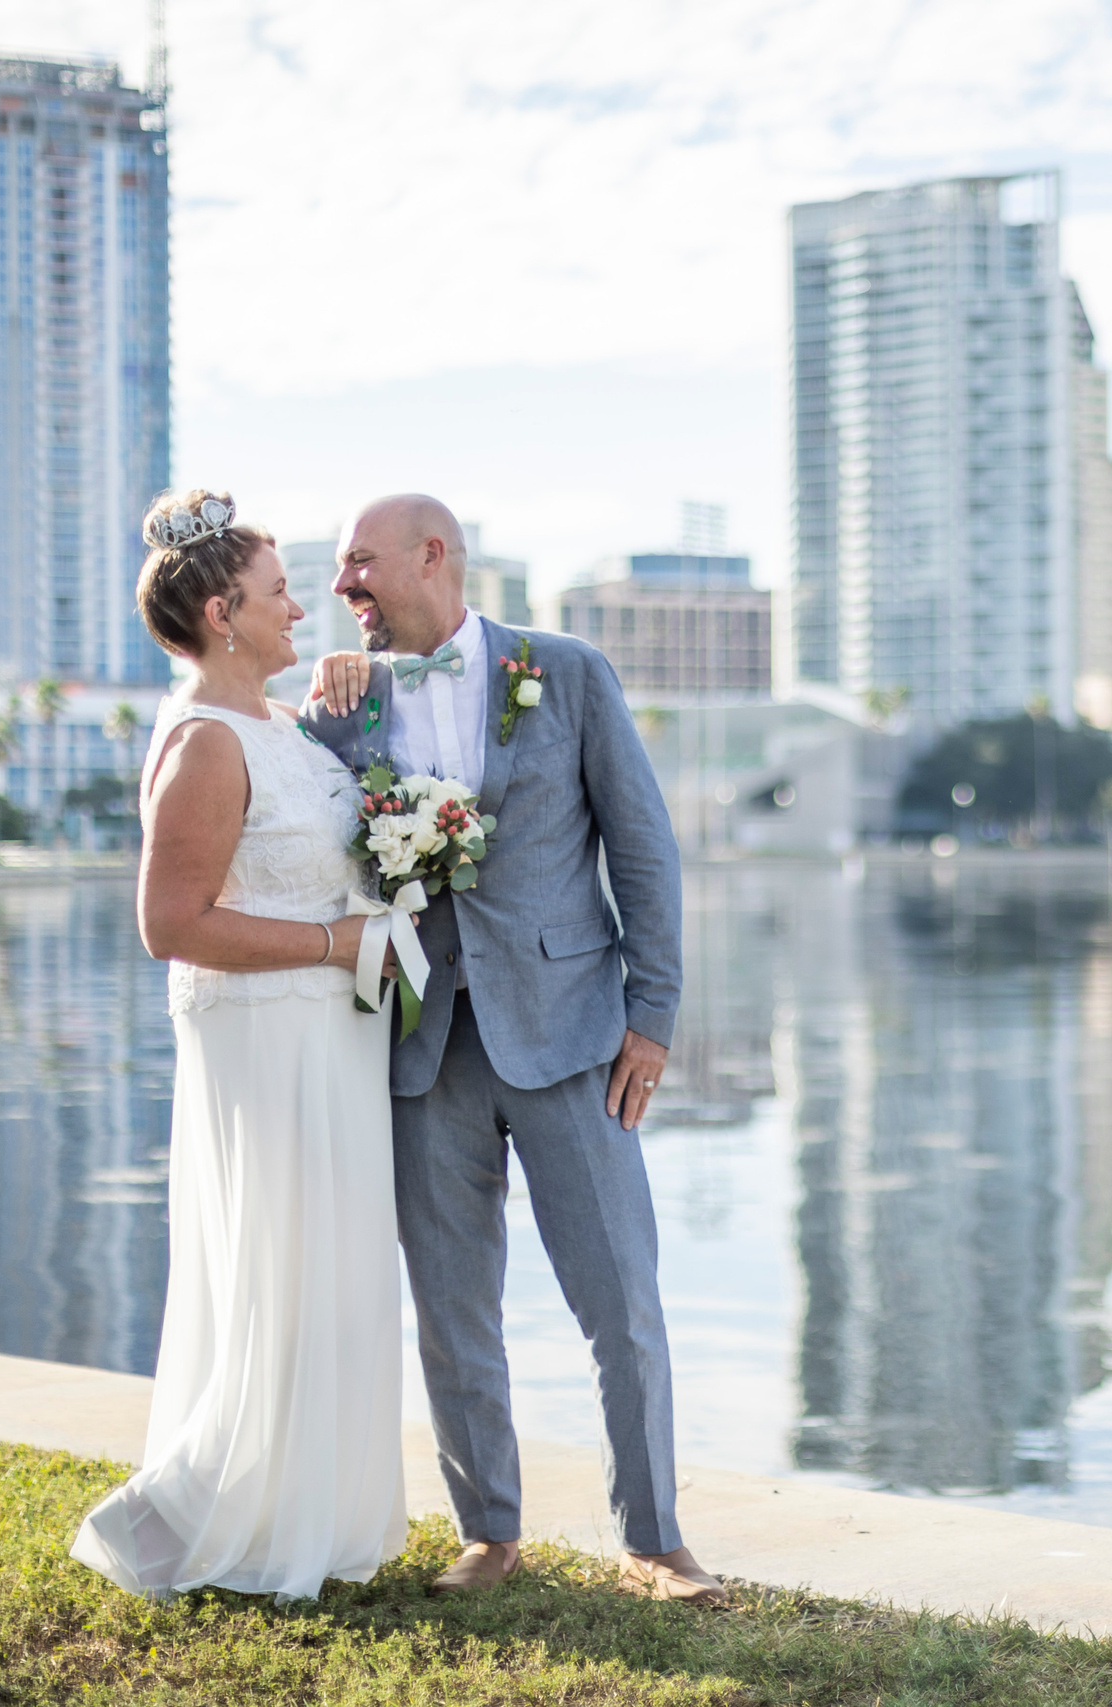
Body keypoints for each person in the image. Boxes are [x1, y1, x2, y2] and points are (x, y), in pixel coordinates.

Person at [300, 494, 725, 1604]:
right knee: (451, 1303)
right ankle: (489, 1532)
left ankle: (655, 1541)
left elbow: (643, 848)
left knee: (620, 1296)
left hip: (575, 1035)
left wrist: (654, 1016)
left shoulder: (568, 671)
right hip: (418, 1041)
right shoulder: (345, 699)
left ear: (430, 555)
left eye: (358, 564)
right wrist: (318, 710)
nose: (343, 587)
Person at [72, 489, 406, 1603]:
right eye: (277, 592)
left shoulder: (275, 725)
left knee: (332, 1284)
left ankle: (296, 1510)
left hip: (331, 1039)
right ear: (223, 612)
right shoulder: (205, 743)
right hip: (270, 1051)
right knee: (281, 1279)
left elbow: (322, 820)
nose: (300, 605)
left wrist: (345, 697)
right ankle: (177, 1519)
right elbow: (172, 926)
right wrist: (335, 940)